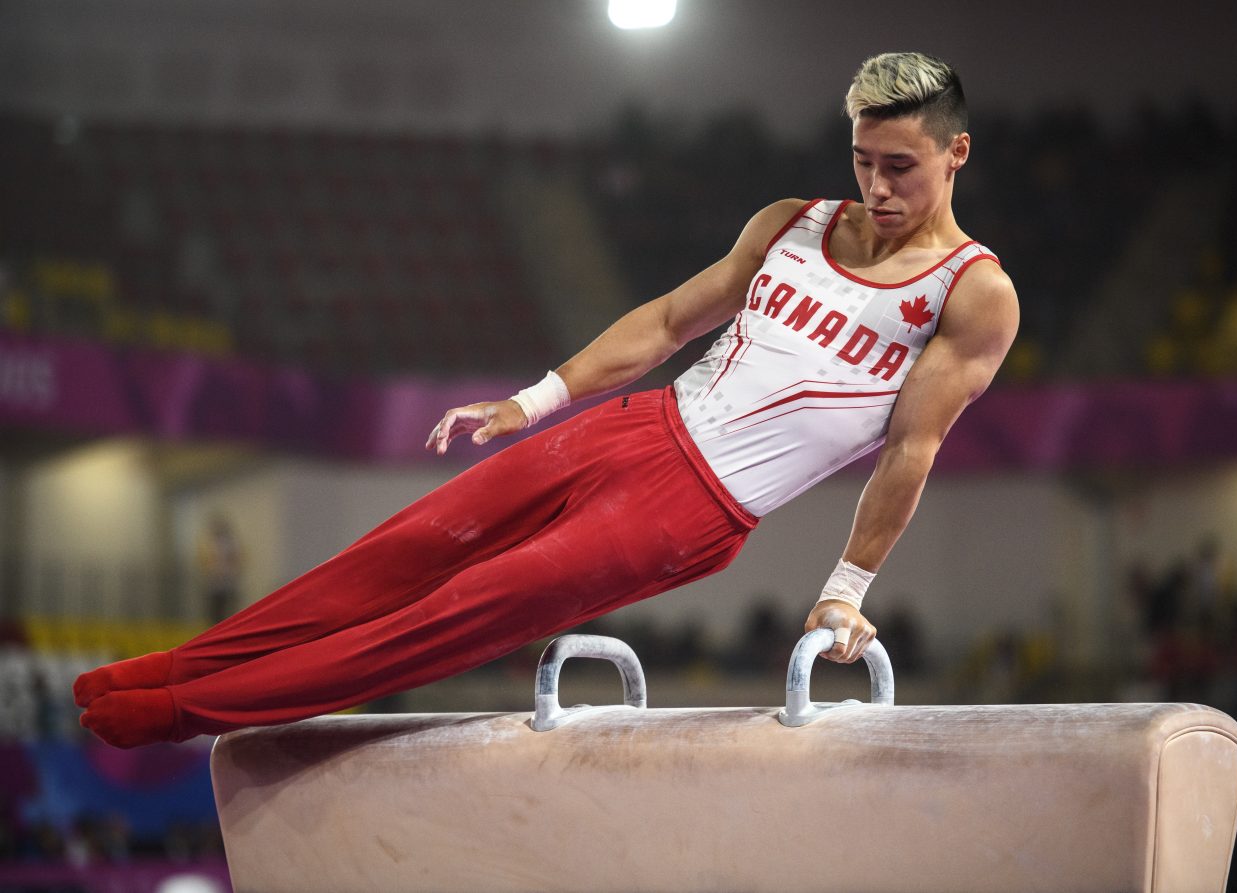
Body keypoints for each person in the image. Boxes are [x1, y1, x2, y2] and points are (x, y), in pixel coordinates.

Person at [74, 52, 1018, 748]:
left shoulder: (972, 293)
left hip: (694, 508)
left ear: (957, 154)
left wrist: (843, 592)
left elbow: (911, 448)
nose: (876, 183)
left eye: (900, 164)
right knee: (397, 553)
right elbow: (662, 326)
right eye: (862, 158)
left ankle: (177, 713)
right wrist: (534, 402)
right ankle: (168, 668)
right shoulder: (795, 223)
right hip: (631, 426)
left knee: (454, 610)